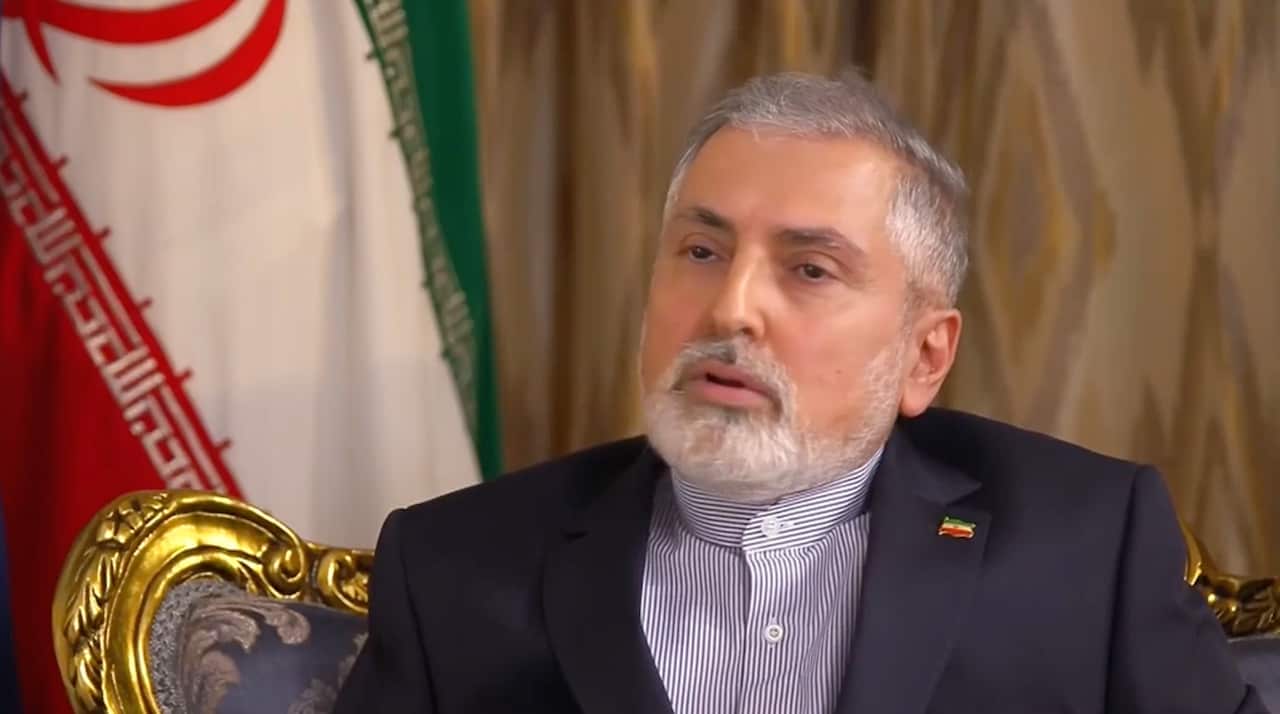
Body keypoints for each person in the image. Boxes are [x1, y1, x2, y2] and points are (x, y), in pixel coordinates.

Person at [334, 70, 1265, 714]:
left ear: (924, 357)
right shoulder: (455, 567)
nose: (731, 307)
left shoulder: (1087, 547)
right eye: (702, 251)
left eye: (810, 269)